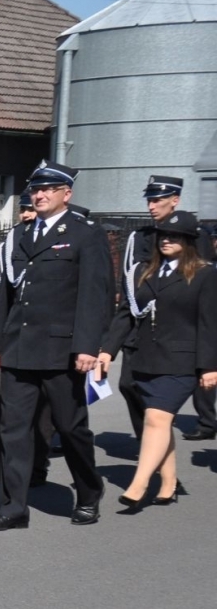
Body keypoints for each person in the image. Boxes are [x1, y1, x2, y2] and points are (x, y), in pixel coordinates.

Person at [0, 161, 113, 531]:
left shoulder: (85, 234)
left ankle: (89, 492)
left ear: (66, 194)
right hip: (20, 348)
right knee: (14, 429)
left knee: (71, 429)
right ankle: (13, 507)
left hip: (62, 352)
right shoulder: (20, 236)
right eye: (36, 189)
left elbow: (94, 295)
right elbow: (5, 292)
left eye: (48, 190)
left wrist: (88, 346)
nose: (39, 195)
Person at [99, 210, 217, 510]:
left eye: (174, 236)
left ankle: (139, 483)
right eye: (162, 235)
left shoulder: (205, 274)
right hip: (145, 360)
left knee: (156, 419)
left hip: (182, 363)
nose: (166, 240)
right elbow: (126, 314)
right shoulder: (143, 272)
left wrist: (210, 366)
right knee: (159, 424)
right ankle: (168, 484)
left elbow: (209, 324)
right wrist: (107, 351)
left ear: (189, 241)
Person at [118, 175, 217, 441]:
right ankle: (149, 436)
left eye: (158, 200)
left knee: (196, 376)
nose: (151, 206)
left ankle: (205, 421)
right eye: (149, 200)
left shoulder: (194, 235)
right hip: (142, 322)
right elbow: (128, 277)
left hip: (180, 322)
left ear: (175, 201)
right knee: (128, 384)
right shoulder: (141, 236)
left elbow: (202, 279)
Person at [0, 193, 53, 490]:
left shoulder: (64, 238)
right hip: (5, 336)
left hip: (43, 339)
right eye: (23, 209)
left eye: (32, 209)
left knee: (42, 402)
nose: (27, 214)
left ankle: (37, 464)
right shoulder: (11, 242)